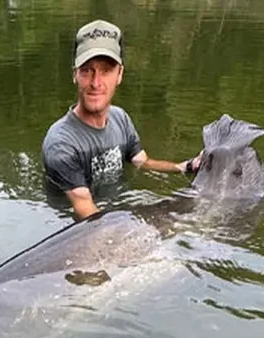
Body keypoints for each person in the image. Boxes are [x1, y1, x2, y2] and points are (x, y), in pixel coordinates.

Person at [41, 20, 203, 220]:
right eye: (87, 70)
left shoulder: (120, 118)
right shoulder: (61, 143)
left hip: (119, 215)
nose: (96, 82)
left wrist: (185, 166)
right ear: (75, 75)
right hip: (76, 229)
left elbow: (142, 162)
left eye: (106, 70)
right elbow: (83, 208)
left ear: (120, 75)